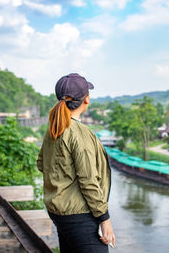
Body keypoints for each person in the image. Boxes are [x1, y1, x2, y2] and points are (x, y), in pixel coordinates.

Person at [37, 73, 115, 252]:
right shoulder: (79, 133)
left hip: (58, 212)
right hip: (79, 216)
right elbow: (88, 180)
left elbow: (42, 164)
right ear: (86, 100)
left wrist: (62, 181)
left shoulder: (54, 129)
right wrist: (105, 219)